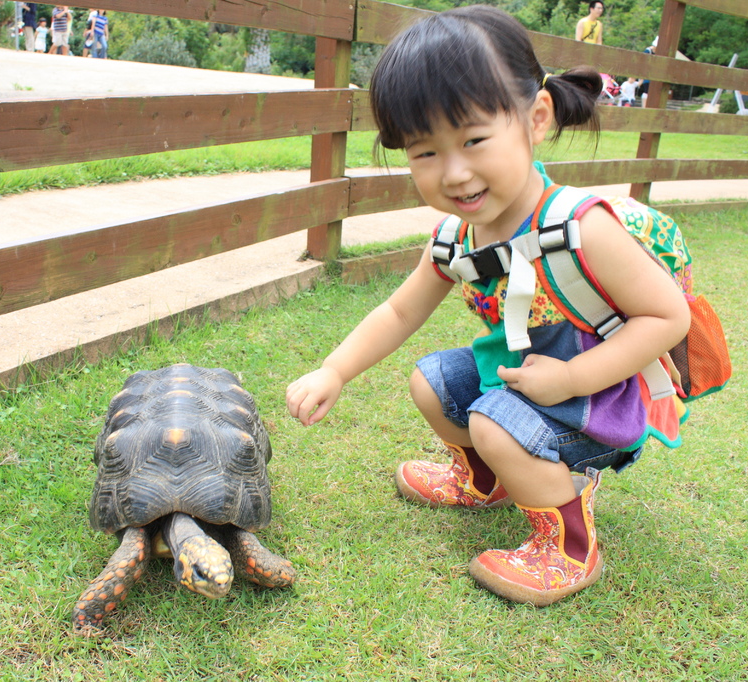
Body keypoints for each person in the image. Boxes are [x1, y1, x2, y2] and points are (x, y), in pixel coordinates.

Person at [285, 6, 690, 606]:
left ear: (536, 119)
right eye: (424, 152)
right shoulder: (455, 239)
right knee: (432, 382)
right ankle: (484, 481)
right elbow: (399, 313)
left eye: (474, 140)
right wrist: (334, 369)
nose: (454, 172)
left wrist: (572, 376)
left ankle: (571, 548)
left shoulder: (581, 227)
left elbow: (667, 317)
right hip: (527, 382)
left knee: (491, 420)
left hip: (599, 400)